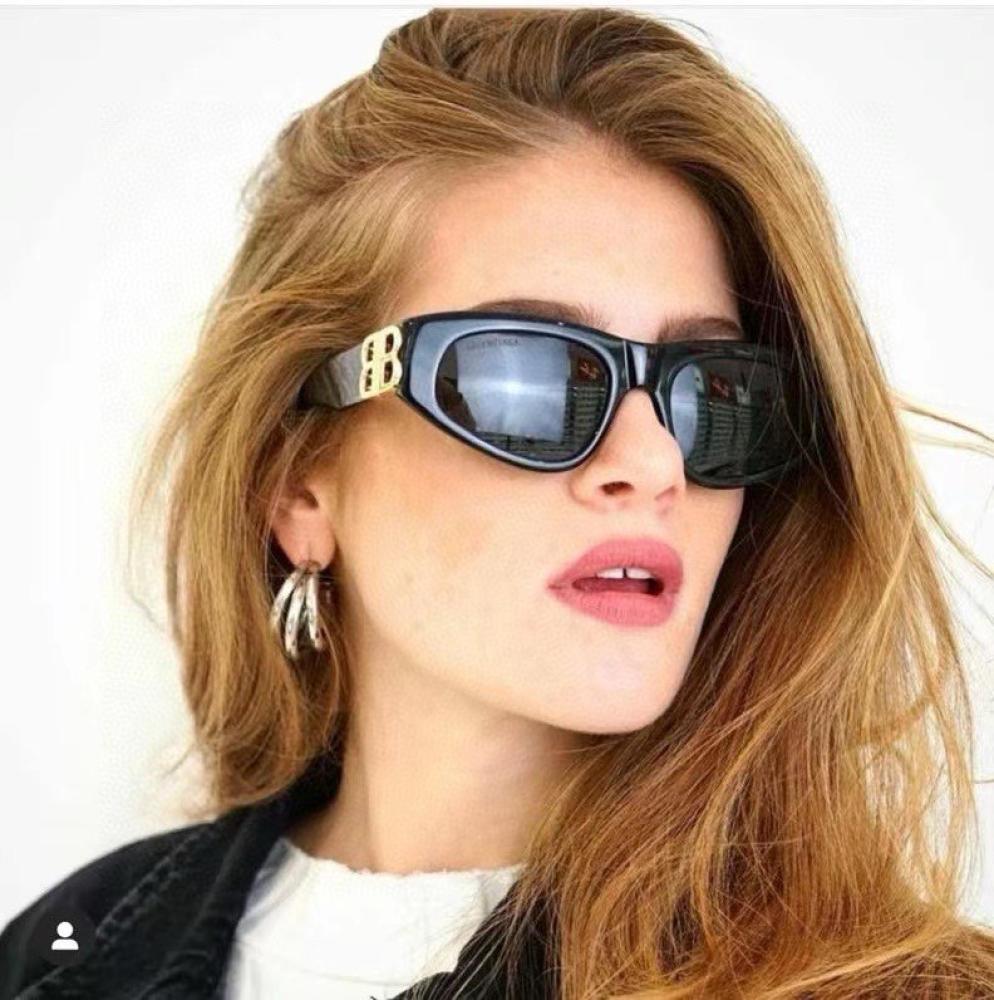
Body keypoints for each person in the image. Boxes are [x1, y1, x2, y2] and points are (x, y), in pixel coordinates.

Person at [3, 7, 994, 999]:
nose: (653, 462)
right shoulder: (65, 951)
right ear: (297, 482)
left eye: (713, 389)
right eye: (528, 376)